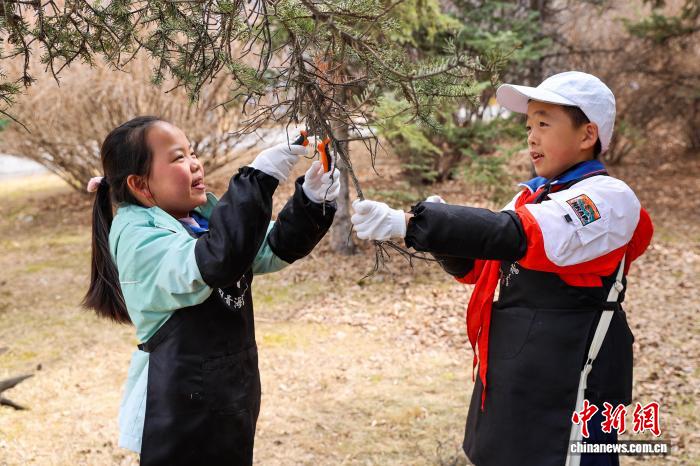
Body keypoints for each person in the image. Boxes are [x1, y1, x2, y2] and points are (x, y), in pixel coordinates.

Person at [351, 71, 654, 466]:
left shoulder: (607, 198)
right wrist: (441, 236)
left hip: (570, 385)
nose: (531, 137)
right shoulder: (533, 196)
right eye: (529, 126)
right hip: (516, 375)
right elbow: (479, 266)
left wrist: (413, 223)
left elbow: (524, 236)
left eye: (544, 124)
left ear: (587, 135)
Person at [83, 116, 339, 465]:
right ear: (141, 185)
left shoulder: (198, 218)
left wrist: (312, 199)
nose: (195, 163)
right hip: (179, 413)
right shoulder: (138, 238)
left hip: (230, 396)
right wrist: (258, 179)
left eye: (192, 152)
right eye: (178, 158)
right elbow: (215, 261)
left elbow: (269, 248)